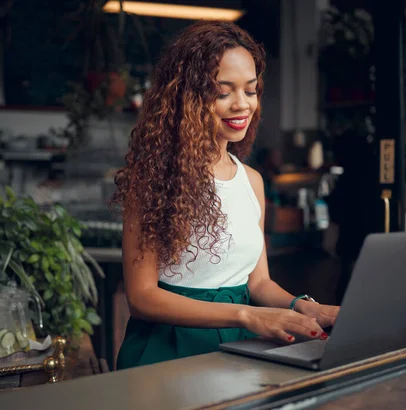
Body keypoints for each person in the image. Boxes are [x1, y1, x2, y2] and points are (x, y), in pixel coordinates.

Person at [111, 21, 340, 370]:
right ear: (185, 97)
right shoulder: (154, 180)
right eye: (223, 92)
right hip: (169, 349)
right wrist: (247, 316)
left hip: (242, 346)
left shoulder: (252, 181)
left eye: (250, 90)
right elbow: (142, 298)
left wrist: (303, 306)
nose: (242, 105)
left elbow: (258, 282)